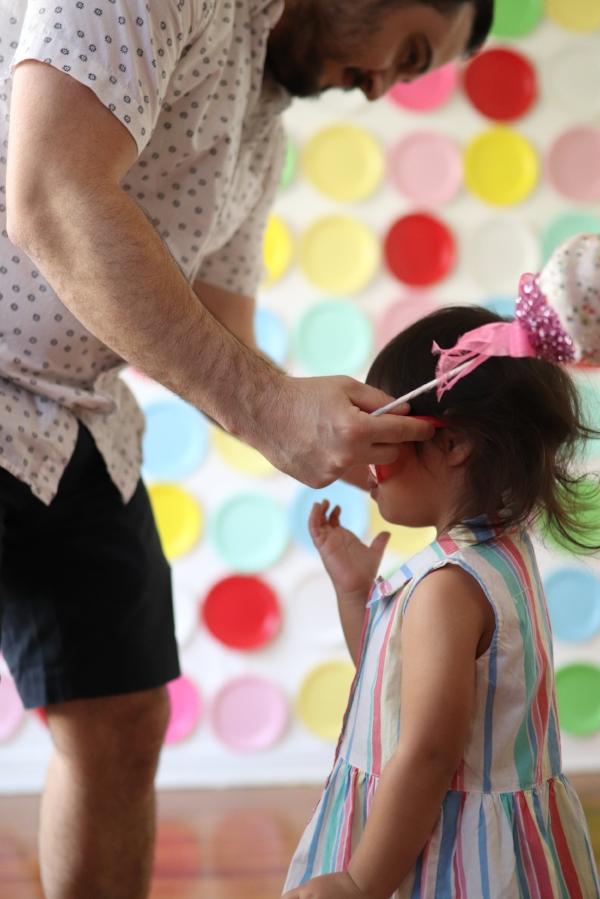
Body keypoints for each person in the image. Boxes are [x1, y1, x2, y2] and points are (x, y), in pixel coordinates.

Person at [0, 0, 493, 896]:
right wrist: (271, 409)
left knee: (121, 716)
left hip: (77, 424)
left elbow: (225, 338)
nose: (382, 89)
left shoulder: (261, 126)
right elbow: (52, 195)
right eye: (407, 52)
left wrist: (337, 426)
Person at [283, 305, 600, 899]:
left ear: (451, 442)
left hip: (451, 856)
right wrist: (356, 593)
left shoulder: (447, 588)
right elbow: (394, 693)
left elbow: (427, 751)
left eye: (381, 433)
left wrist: (359, 881)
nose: (367, 464)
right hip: (510, 846)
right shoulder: (505, 555)